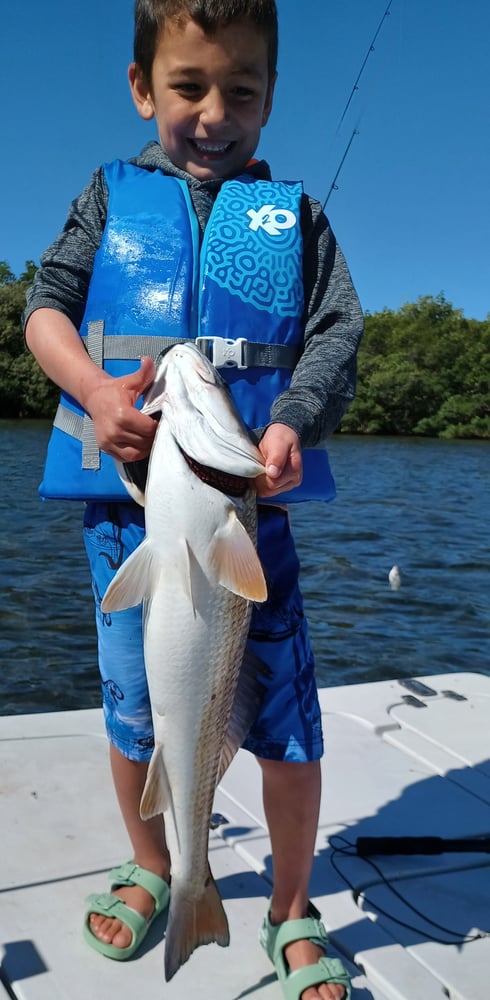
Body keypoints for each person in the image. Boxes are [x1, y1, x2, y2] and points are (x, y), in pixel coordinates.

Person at [24, 2, 363, 998]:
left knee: (286, 727)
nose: (215, 114)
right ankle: (159, 864)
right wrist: (92, 391)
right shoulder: (106, 195)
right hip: (126, 523)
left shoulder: (291, 217)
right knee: (137, 714)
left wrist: (295, 416)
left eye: (242, 93)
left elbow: (338, 332)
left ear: (269, 99)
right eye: (189, 88)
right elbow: (45, 307)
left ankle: (292, 904)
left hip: (246, 524)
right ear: (142, 88)